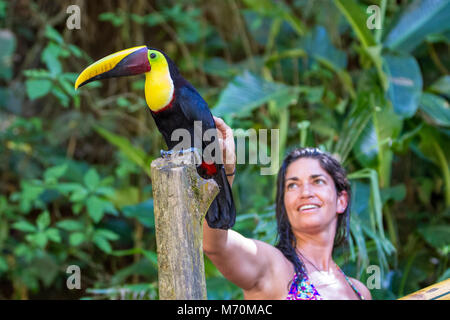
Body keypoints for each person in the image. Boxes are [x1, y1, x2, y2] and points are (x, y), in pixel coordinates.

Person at [203, 116, 372, 300]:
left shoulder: (359, 292)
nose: (305, 192)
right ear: (284, 203)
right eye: (292, 185)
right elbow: (215, 245)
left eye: (318, 181)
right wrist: (223, 172)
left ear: (341, 200)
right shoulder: (272, 267)